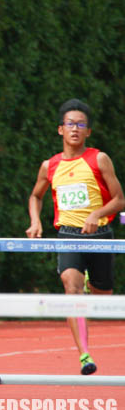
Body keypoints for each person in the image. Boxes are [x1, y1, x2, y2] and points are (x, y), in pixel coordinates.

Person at [26, 98, 124, 375]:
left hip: (101, 235)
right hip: (68, 234)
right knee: (71, 286)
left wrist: (96, 214)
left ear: (88, 132)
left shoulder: (99, 159)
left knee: (103, 296)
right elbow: (35, 196)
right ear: (60, 129)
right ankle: (84, 355)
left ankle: (94, 281)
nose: (75, 129)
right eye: (70, 124)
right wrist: (35, 221)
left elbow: (119, 200)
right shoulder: (50, 166)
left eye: (81, 125)